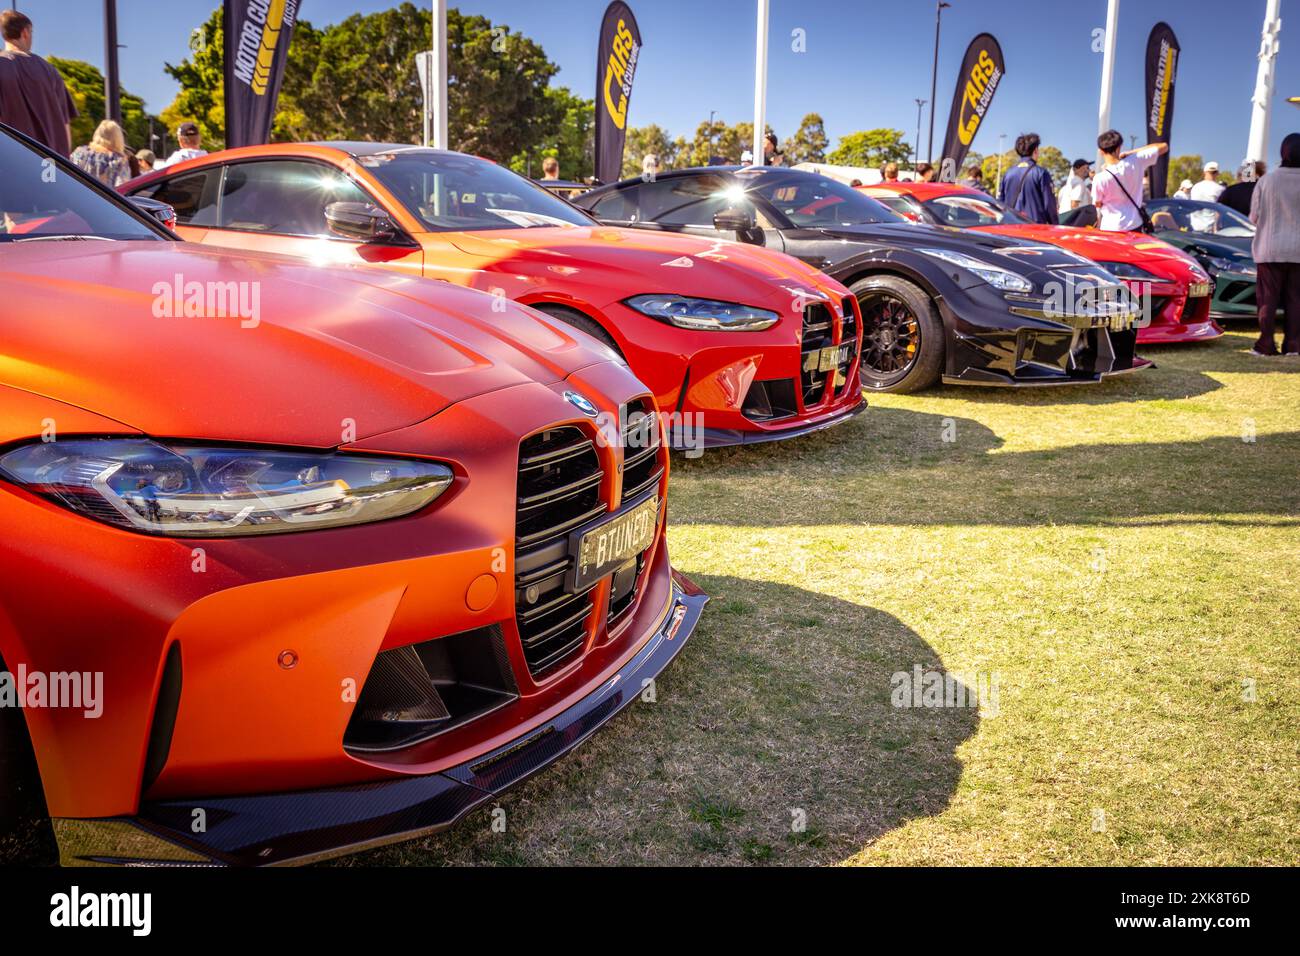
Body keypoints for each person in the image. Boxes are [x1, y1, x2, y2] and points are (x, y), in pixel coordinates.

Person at [1247, 133, 1300, 357]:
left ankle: (1265, 345)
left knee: (1267, 299)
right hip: (1298, 250)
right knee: (1296, 300)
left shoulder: (1267, 180)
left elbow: (1254, 217)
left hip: (1270, 248)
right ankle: (1294, 346)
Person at [0, 11, 78, 157]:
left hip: (11, 165)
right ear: (25, 32)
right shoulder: (50, 71)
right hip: (50, 168)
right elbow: (65, 126)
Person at [1092, 129, 1167, 232]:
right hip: (1134, 225)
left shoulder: (1100, 178)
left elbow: (1097, 204)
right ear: (1119, 147)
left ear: (1101, 151)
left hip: (1109, 227)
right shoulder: (1135, 161)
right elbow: (1163, 146)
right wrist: (1131, 153)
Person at [999, 133, 1058, 224]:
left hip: (1010, 226)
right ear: (1035, 150)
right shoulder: (1041, 173)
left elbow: (1001, 202)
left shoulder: (1008, 173)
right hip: (1034, 228)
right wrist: (1055, 224)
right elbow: (1049, 205)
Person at [70, 120, 132, 188]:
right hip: (102, 198)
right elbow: (123, 188)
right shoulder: (119, 160)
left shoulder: (79, 152)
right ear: (118, 138)